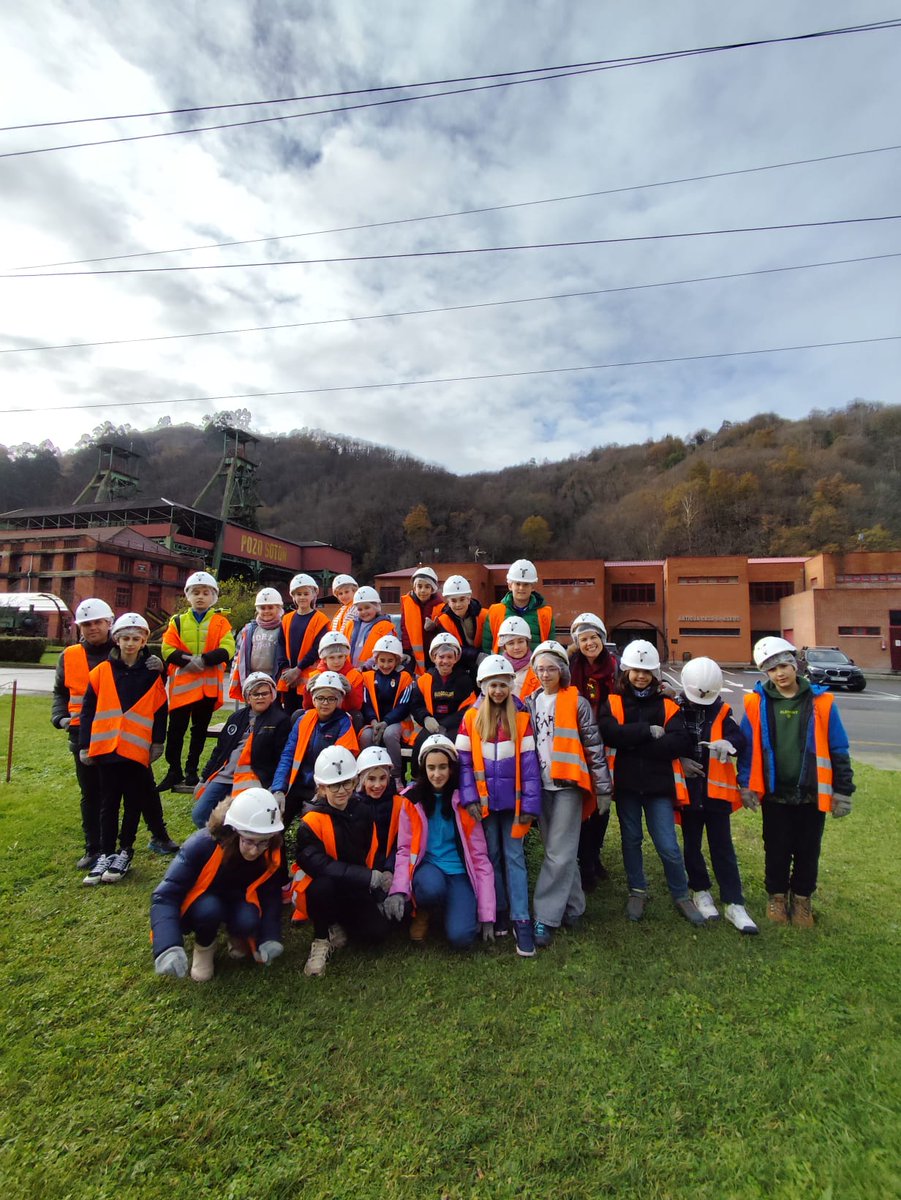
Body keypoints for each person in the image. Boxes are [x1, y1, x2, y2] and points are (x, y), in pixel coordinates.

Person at [737, 636, 854, 928]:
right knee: (776, 846)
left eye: (784, 665)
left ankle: (802, 899)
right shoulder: (755, 703)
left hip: (811, 794)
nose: (780, 674)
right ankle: (777, 896)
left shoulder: (822, 703)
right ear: (765, 673)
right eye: (772, 669)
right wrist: (745, 784)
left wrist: (843, 790)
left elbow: (838, 748)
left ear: (795, 664)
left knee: (807, 848)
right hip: (775, 794)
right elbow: (747, 748)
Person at [597, 640, 704, 927]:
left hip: (659, 787)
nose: (641, 676)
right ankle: (637, 890)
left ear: (655, 674)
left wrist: (632, 743)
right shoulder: (614, 701)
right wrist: (647, 732)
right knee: (631, 840)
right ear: (626, 672)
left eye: (646, 671)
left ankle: (681, 894)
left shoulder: (668, 705)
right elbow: (608, 733)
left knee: (667, 844)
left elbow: (681, 741)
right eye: (636, 671)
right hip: (628, 787)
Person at [79, 613, 180, 886]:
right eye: (125, 638)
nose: (130, 643)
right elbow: (88, 710)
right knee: (108, 803)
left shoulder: (151, 672)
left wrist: (158, 742)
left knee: (133, 802)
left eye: (136, 638)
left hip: (136, 751)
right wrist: (85, 745)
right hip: (106, 749)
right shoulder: (101, 672)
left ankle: (125, 851)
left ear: (145, 640)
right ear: (117, 639)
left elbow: (161, 709)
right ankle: (105, 853)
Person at [524, 641, 612, 947]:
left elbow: (594, 749)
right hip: (541, 787)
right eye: (540, 669)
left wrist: (603, 789)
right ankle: (575, 906)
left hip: (568, 787)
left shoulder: (577, 703)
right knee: (557, 852)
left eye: (551, 668)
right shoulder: (531, 702)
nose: (545, 674)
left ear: (562, 670)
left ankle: (544, 917)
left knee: (557, 853)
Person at [151, 788, 286, 982]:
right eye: (249, 841)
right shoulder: (201, 845)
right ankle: (204, 946)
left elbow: (271, 894)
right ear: (233, 831)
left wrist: (269, 937)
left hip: (239, 897)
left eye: (263, 842)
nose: (255, 850)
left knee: (248, 920)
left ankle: (238, 934)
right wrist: (167, 946)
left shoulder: (270, 848)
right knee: (209, 910)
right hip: (204, 900)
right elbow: (166, 895)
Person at [456, 655, 541, 956]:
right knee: (490, 856)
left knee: (514, 856)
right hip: (485, 804)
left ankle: (521, 918)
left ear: (510, 685)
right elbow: (464, 764)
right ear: (483, 687)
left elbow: (530, 765)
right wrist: (469, 798)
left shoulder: (521, 718)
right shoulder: (470, 718)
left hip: (515, 803)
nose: (498, 690)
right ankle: (499, 908)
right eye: (493, 685)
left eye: (503, 684)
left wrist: (531, 804)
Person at [383, 735, 495, 949]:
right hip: (429, 869)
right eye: (431, 767)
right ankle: (425, 911)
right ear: (423, 768)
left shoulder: (466, 801)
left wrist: (486, 914)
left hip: (459, 873)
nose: (437, 774)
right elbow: (404, 849)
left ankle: (452, 909)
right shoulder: (412, 800)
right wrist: (398, 890)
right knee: (430, 889)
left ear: (451, 768)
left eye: (443, 767)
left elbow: (480, 857)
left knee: (461, 938)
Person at [291, 746, 393, 977]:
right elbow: (320, 866)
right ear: (321, 787)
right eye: (334, 785)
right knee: (323, 885)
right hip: (322, 889)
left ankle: (337, 920)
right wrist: (368, 877)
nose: (342, 791)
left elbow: (373, 851)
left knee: (376, 934)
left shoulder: (362, 811)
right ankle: (321, 938)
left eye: (347, 783)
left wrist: (376, 888)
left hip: (354, 887)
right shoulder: (310, 821)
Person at [675, 657, 758, 934]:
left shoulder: (722, 711)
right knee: (692, 845)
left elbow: (740, 739)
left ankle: (734, 902)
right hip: (689, 792)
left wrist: (729, 743)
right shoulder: (675, 706)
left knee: (723, 847)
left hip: (716, 794)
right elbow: (668, 740)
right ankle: (700, 890)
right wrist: (680, 759)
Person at [51, 597, 117, 870]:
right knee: (90, 793)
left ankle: (114, 848)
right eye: (86, 624)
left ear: (109, 623)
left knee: (114, 793)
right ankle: (93, 849)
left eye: (97, 623)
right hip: (82, 736)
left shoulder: (125, 650)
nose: (92, 628)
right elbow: (60, 692)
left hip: (117, 734)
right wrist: (59, 717)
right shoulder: (69, 656)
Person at [159, 571, 235, 790]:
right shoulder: (178, 622)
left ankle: (192, 771)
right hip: (182, 690)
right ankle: (174, 771)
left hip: (206, 691)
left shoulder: (221, 622)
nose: (200, 597)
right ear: (188, 596)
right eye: (196, 593)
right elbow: (167, 648)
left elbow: (228, 648)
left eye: (205, 593)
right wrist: (186, 661)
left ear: (214, 597)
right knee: (175, 732)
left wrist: (204, 660)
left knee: (199, 731)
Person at [190, 672, 292, 829]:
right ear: (247, 697)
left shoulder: (280, 720)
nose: (260, 697)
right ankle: (221, 842)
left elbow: (281, 757)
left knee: (241, 820)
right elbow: (220, 751)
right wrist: (204, 778)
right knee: (200, 816)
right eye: (255, 694)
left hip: (254, 778)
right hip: (224, 776)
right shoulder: (236, 718)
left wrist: (275, 786)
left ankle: (234, 844)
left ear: (272, 695)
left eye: (265, 693)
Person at [568, 612, 617, 892]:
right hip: (578, 742)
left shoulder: (615, 667)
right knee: (582, 802)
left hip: (607, 741)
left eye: (593, 637)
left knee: (603, 801)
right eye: (583, 639)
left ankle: (593, 854)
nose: (589, 643)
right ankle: (582, 860)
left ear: (602, 638)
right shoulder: (570, 666)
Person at [270, 671, 359, 825]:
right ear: (313, 699)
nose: (325, 703)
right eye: (320, 698)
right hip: (297, 784)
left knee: (312, 824)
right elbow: (287, 756)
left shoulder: (344, 723)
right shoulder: (303, 719)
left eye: (331, 698)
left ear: (338, 701)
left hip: (324, 788)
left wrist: (322, 792)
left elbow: (341, 766)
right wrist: (278, 789)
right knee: (274, 820)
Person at [358, 634, 415, 778]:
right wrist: (374, 722)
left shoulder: (405, 677)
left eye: (390, 661)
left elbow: (404, 706)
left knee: (390, 735)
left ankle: (395, 776)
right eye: (382, 660)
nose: (385, 665)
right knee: (365, 736)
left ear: (397, 660)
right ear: (376, 660)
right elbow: (366, 703)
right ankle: (368, 773)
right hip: (374, 722)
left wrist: (386, 722)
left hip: (396, 722)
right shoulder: (368, 677)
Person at [409, 632, 477, 753]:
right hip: (431, 726)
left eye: (449, 657)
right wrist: (426, 718)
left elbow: (468, 707)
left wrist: (445, 725)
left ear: (456, 659)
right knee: (420, 745)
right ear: (434, 658)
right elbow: (416, 704)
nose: (445, 661)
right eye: (441, 657)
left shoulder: (464, 680)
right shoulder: (424, 680)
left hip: (454, 727)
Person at [275, 573, 330, 715]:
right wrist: (286, 669)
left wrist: (298, 669)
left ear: (313, 594)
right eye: (298, 594)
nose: (302, 597)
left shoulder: (321, 620)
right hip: (288, 679)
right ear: (293, 596)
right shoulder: (286, 619)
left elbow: (318, 648)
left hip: (308, 679)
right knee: (288, 716)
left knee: (305, 715)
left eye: (306, 593)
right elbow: (280, 644)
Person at [482, 559, 555, 652]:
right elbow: (487, 647)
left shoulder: (545, 613)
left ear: (532, 587)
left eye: (526, 584)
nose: (521, 588)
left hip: (534, 664)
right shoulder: (495, 611)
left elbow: (551, 646)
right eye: (517, 584)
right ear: (510, 585)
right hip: (503, 665)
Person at [229, 587, 284, 701]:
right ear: (257, 609)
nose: (266, 611)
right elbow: (239, 655)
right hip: (252, 677)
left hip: (274, 677)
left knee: (273, 710)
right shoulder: (249, 629)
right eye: (263, 608)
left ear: (279, 608)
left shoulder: (283, 629)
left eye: (270, 607)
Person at [355, 745, 402, 870]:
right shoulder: (352, 806)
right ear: (362, 780)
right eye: (371, 779)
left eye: (382, 778)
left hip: (391, 866)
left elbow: (400, 844)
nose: (377, 785)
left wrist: (389, 869)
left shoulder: (398, 804)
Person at [433, 574, 486, 682]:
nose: (458, 604)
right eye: (454, 600)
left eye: (462, 599)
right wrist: (477, 656)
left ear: (469, 598)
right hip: (458, 662)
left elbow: (490, 640)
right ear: (447, 601)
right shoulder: (444, 621)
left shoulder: (484, 615)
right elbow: (450, 647)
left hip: (483, 660)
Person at [302, 630, 365, 720]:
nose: (336, 661)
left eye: (340, 657)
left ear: (345, 656)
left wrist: (350, 692)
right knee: (299, 714)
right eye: (331, 657)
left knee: (357, 716)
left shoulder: (355, 676)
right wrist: (307, 691)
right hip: (320, 716)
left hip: (343, 716)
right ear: (324, 659)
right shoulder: (315, 676)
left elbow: (356, 707)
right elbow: (308, 706)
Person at [400, 566, 443, 676]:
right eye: (419, 586)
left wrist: (435, 627)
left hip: (432, 652)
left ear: (432, 589)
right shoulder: (407, 604)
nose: (423, 590)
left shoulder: (440, 606)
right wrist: (406, 650)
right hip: (413, 654)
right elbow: (405, 629)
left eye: (427, 587)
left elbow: (444, 630)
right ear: (414, 588)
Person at [347, 586, 395, 669]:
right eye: (360, 609)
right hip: (351, 672)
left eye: (367, 607)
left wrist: (366, 667)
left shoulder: (385, 626)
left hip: (372, 673)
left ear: (376, 607)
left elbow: (386, 652)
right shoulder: (350, 625)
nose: (364, 612)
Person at [497, 616, 540, 699]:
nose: (516, 647)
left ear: (527, 643)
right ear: (504, 647)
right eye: (510, 643)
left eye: (520, 642)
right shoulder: (496, 668)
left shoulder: (538, 669)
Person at [329, 573, 359, 639]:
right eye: (340, 593)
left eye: (346, 592)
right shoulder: (341, 610)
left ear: (354, 591)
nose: (344, 596)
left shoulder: (357, 608)